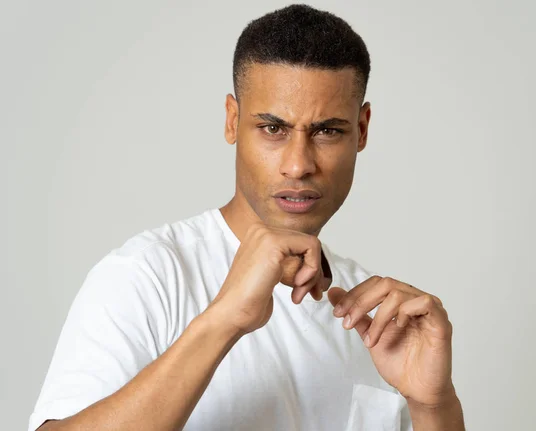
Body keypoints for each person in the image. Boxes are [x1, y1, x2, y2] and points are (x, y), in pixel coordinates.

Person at [29, 4, 465, 431]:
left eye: (327, 131)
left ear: (362, 130)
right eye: (273, 129)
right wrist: (223, 320)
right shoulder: (147, 276)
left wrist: (433, 405)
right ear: (232, 121)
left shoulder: (378, 317)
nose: (298, 165)